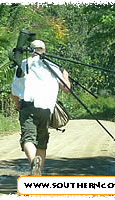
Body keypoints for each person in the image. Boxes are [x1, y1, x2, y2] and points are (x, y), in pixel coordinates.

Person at [11, 40, 71, 176]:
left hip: (27, 106)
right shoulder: (53, 66)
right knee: (42, 142)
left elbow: (14, 90)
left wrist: (17, 104)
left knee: (27, 139)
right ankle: (38, 174)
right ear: (44, 50)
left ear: (30, 51)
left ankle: (34, 162)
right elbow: (66, 88)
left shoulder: (23, 65)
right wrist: (65, 76)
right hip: (46, 109)